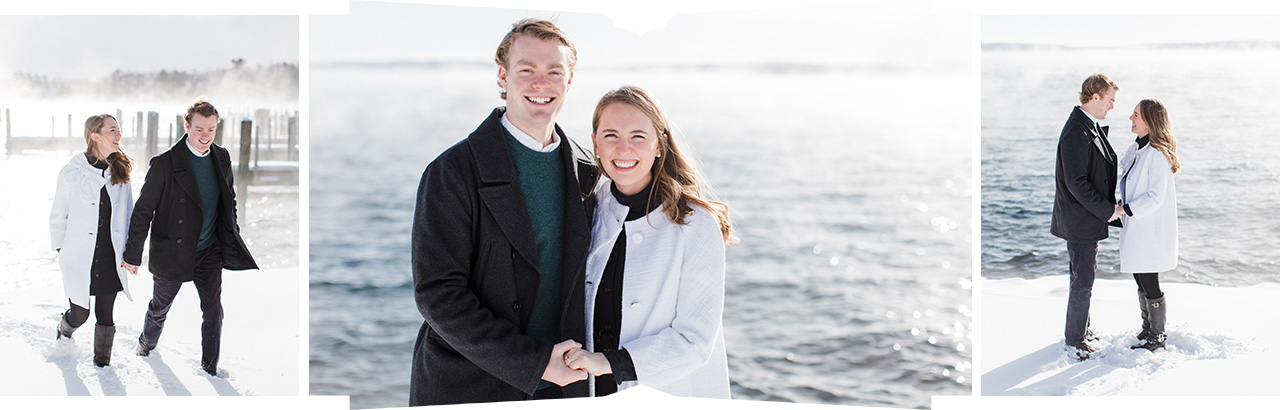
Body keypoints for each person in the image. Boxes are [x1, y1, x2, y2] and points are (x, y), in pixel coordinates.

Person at [409, 18, 597, 405]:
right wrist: (536, 362)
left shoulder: (590, 172)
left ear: (570, 80)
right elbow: (438, 295)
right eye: (526, 70)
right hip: (469, 386)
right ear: (503, 75)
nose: (540, 84)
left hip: (566, 389)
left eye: (554, 72)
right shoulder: (452, 171)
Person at [562, 86, 734, 398]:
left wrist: (608, 362)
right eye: (611, 135)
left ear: (659, 145)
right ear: (595, 144)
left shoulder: (696, 223)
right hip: (592, 394)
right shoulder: (586, 210)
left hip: (669, 395)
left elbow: (694, 341)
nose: (623, 148)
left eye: (638, 136)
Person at [121, 100, 258, 376]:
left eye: (211, 129)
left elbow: (228, 201)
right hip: (173, 250)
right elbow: (143, 211)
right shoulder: (165, 164)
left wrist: (231, 235)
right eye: (199, 129)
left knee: (213, 311)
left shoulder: (221, 158)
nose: (205, 135)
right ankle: (146, 344)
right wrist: (132, 254)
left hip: (209, 250)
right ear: (187, 126)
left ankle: (210, 369)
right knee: (160, 307)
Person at [49, 114, 136, 367]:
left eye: (118, 129)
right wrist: (61, 248)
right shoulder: (73, 172)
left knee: (106, 313)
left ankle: (102, 364)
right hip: (79, 255)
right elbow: (58, 213)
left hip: (110, 255)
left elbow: (128, 214)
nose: (118, 135)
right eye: (112, 130)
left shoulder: (120, 170)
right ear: (95, 136)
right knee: (80, 313)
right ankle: (64, 330)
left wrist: (131, 252)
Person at [1051, 74, 1123, 360]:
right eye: (1110, 100)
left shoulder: (1086, 126)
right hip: (1080, 221)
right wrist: (1108, 211)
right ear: (1095, 97)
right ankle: (1075, 338)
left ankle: (1082, 328)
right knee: (1084, 280)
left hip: (1084, 218)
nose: (1112, 107)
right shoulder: (1076, 132)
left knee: (1081, 276)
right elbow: (1076, 183)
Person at [1116, 99, 1179, 351]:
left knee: (1149, 280)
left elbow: (1154, 197)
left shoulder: (1156, 155)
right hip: (1135, 226)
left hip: (1149, 230)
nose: (1131, 119)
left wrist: (1125, 209)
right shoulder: (1135, 149)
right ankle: (1148, 328)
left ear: (1150, 122)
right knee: (1139, 278)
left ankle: (1157, 336)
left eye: (1136, 115)